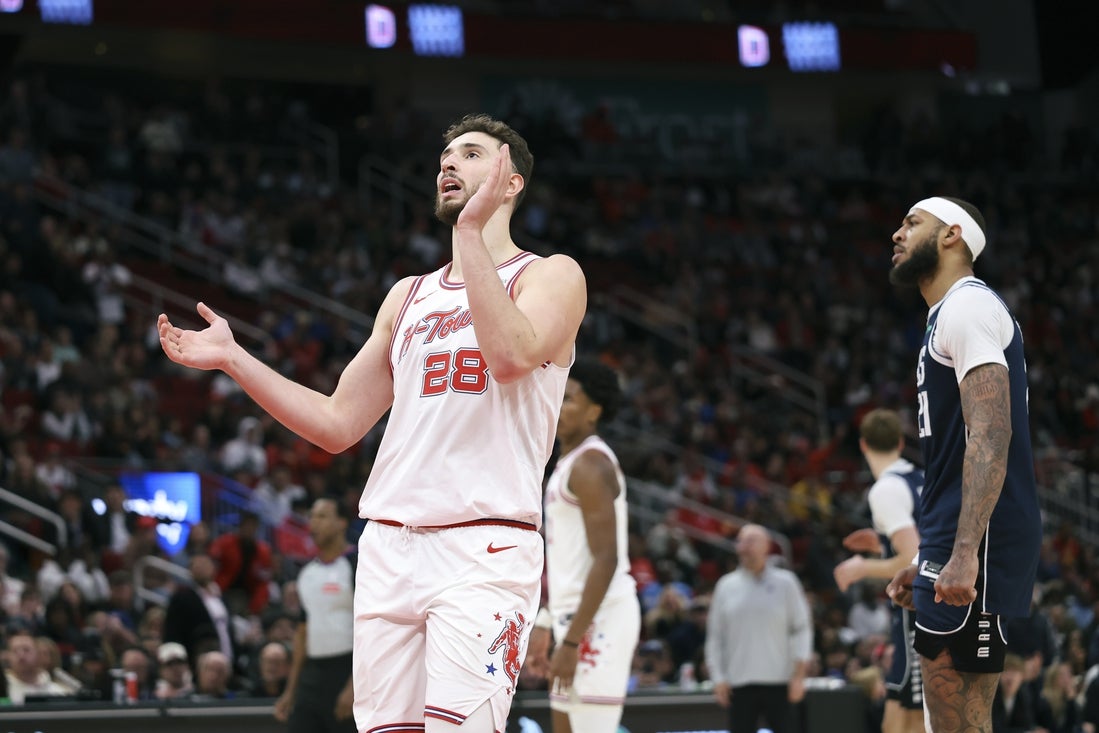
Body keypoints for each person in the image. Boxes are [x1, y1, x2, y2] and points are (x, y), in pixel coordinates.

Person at [157, 113, 586, 732]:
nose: (449, 163)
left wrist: (470, 233)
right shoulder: (407, 295)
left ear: (511, 181)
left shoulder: (551, 274)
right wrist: (233, 359)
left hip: (485, 544)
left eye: (471, 153)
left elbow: (512, 356)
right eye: (445, 156)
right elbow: (336, 423)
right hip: (389, 543)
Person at [885, 196, 1042, 733]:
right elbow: (956, 450)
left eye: (912, 223)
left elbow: (991, 434)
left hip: (981, 536)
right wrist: (929, 555)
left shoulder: (967, 307)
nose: (897, 234)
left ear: (951, 235)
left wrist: (964, 553)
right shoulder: (946, 315)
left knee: (959, 722)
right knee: (947, 719)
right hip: (954, 533)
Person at [526, 358, 641, 733]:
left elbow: (606, 559)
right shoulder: (569, 462)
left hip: (601, 619)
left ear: (594, 411)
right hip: (573, 618)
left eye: (569, 399)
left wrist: (572, 642)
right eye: (557, 395)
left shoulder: (590, 465)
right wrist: (546, 621)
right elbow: (569, 560)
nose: (557, 405)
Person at [833, 408, 925, 733]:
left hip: (917, 611)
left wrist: (862, 568)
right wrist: (881, 543)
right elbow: (926, 538)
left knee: (915, 719)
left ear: (863, 445)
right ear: (900, 443)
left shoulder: (885, 489)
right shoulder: (918, 477)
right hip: (924, 607)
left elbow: (914, 557)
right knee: (895, 716)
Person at [705, 523, 813, 733]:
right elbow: (715, 637)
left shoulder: (786, 583)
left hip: (780, 682)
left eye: (751, 541)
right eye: (740, 541)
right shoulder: (725, 586)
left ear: (767, 546)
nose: (744, 546)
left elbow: (802, 628)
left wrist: (799, 675)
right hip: (739, 683)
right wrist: (718, 678)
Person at [273, 496, 356, 733]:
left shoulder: (358, 563)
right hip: (312, 673)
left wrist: (355, 686)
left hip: (347, 669)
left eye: (322, 516)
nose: (313, 523)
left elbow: (372, 629)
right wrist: (290, 691)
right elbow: (302, 632)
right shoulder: (307, 573)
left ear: (341, 522)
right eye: (311, 517)